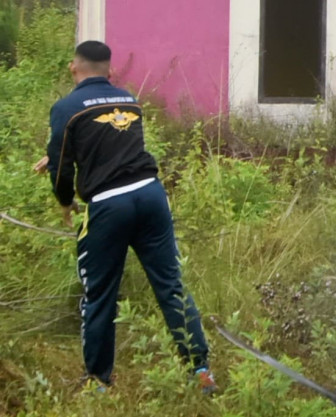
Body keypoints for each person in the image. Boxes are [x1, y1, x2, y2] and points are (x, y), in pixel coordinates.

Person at [35, 40, 214, 394]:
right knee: (171, 286)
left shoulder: (65, 107)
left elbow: (61, 168)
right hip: (150, 195)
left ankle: (99, 381)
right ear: (111, 71)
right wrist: (60, 156)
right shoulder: (128, 100)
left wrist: (65, 201)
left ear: (74, 67)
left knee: (99, 293)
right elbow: (109, 144)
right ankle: (201, 371)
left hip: (109, 206)